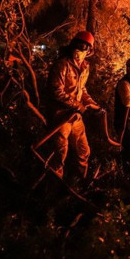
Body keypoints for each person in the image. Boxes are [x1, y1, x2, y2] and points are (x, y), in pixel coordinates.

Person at [45, 31, 100, 178]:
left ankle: (78, 181)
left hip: (75, 116)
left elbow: (82, 89)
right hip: (60, 116)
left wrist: (93, 104)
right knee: (60, 154)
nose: (79, 48)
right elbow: (56, 91)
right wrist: (78, 106)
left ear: (89, 50)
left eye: (84, 46)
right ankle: (54, 184)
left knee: (84, 151)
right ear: (72, 44)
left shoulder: (85, 67)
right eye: (78, 44)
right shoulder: (62, 64)